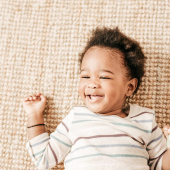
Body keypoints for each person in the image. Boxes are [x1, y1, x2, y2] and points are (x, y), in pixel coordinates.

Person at [23, 27, 170, 170]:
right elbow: (43, 159)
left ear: (129, 87)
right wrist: (34, 115)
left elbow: (160, 164)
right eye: (85, 76)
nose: (92, 84)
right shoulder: (76, 118)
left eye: (104, 77)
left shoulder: (144, 119)